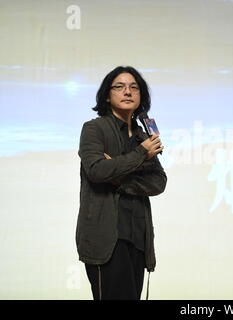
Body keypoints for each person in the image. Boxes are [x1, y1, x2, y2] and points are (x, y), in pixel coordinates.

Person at [76, 66, 167, 300]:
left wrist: (118, 179)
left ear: (141, 97)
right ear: (107, 95)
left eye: (134, 87)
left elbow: (158, 181)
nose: (127, 92)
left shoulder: (143, 135)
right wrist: (140, 156)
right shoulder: (94, 129)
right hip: (106, 239)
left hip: (138, 236)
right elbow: (97, 170)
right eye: (119, 86)